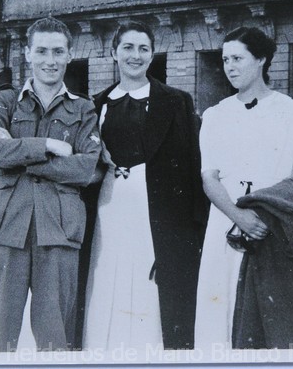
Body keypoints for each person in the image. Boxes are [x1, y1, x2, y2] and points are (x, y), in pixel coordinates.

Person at [0, 17, 101, 352]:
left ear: (69, 55)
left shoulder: (83, 108)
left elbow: (85, 168)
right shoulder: (5, 100)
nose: (50, 60)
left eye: (58, 52)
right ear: (28, 53)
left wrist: (18, 153)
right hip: (5, 226)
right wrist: (47, 145)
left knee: (55, 338)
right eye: (42, 51)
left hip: (58, 229)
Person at [83, 21, 207, 350]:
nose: (135, 56)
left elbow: (192, 164)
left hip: (156, 209)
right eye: (128, 48)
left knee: (151, 284)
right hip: (109, 205)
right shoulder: (96, 104)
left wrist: (195, 227)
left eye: (143, 49)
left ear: (152, 55)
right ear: (114, 53)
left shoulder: (176, 101)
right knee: (106, 273)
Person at [194, 27, 293, 349]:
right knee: (220, 313)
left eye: (238, 58)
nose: (229, 67)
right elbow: (209, 177)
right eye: (225, 60)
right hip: (225, 225)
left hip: (273, 228)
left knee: (273, 320)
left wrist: (269, 215)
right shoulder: (215, 115)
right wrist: (239, 217)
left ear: (261, 59)